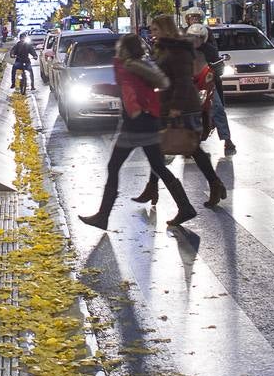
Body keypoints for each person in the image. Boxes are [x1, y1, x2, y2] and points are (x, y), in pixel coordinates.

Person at [78, 34, 194, 230]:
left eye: (119, 47)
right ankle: (185, 207)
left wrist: (133, 110)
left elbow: (130, 92)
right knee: (159, 167)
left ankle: (103, 216)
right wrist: (105, 89)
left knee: (114, 166)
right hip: (149, 122)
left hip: (134, 125)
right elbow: (131, 90)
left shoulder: (127, 67)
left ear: (124, 49)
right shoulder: (141, 65)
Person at [132, 14, 226, 219]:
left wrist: (175, 107)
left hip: (183, 106)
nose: (151, 33)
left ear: (165, 29)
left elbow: (184, 80)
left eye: (155, 29)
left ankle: (180, 198)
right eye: (151, 30)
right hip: (166, 104)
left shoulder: (178, 49)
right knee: (186, 148)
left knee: (182, 147)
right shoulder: (162, 47)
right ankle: (210, 185)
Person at [187, 23, 236, 155]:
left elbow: (218, 66)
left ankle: (227, 139)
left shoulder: (210, 49)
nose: (195, 40)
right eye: (192, 37)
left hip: (207, 83)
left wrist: (218, 67)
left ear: (204, 38)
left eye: (198, 37)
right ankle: (187, 142)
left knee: (218, 108)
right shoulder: (184, 50)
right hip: (191, 84)